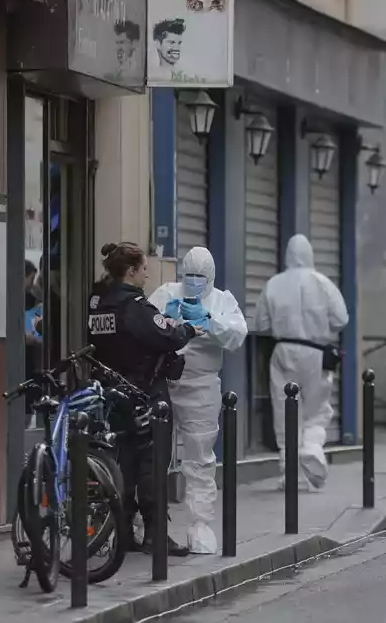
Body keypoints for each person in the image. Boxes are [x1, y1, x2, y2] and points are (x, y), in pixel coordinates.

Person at [86, 242, 204, 556]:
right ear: (131, 271)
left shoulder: (97, 303)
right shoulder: (133, 307)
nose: (145, 275)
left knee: (122, 462)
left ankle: (123, 532)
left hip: (111, 394)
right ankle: (155, 534)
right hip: (144, 393)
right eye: (143, 269)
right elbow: (167, 335)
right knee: (153, 463)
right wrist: (189, 329)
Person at [148, 247, 248, 554]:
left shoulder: (221, 300)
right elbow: (144, 325)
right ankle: (147, 524)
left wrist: (209, 320)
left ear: (211, 277)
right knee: (152, 455)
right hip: (163, 380)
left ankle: (199, 524)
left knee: (199, 457)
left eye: (200, 277)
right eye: (189, 275)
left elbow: (237, 335)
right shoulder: (167, 293)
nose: (194, 282)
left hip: (202, 384)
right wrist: (167, 322)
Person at [254, 234, 349, 490]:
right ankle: (311, 446)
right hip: (316, 352)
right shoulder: (323, 283)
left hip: (283, 350)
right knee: (317, 409)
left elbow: (260, 324)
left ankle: (290, 473)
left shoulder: (273, 284)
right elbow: (341, 319)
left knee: (284, 411)